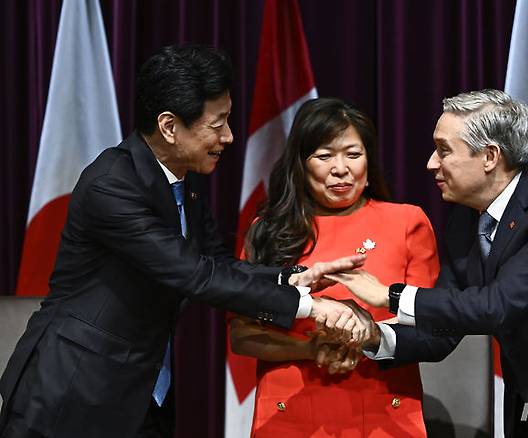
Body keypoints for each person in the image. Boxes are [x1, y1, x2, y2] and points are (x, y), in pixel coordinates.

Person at [0, 45, 369, 438]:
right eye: (217, 123)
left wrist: (293, 280)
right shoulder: (112, 184)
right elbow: (195, 275)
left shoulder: (182, 181)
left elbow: (217, 264)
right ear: (169, 126)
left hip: (141, 393)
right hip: (73, 392)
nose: (228, 136)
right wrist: (311, 308)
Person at [331, 89, 528, 437]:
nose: (430, 163)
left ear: (489, 156)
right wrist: (373, 335)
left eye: (444, 150)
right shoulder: (464, 219)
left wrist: (391, 295)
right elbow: (442, 329)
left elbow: (497, 306)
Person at [230, 97, 441, 437]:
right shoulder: (266, 231)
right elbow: (241, 336)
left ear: (369, 163)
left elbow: (428, 329)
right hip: (290, 411)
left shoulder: (408, 222)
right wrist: (310, 348)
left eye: (353, 155)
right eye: (324, 156)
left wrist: (366, 335)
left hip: (386, 410)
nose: (340, 168)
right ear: (301, 164)